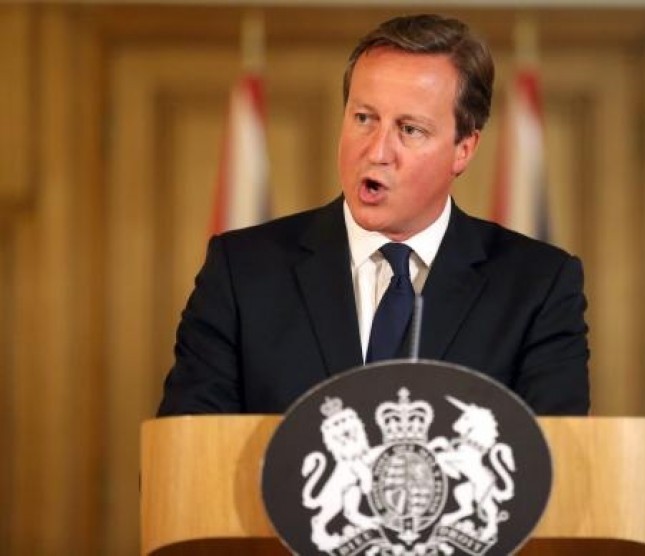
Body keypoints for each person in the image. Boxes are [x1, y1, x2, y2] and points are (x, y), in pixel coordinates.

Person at [157, 13, 589, 416]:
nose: (377, 151)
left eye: (409, 129)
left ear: (464, 149)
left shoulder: (538, 286)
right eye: (364, 118)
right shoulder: (242, 272)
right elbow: (186, 462)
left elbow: (551, 469)